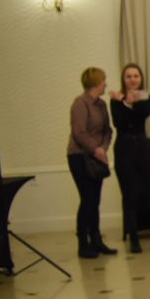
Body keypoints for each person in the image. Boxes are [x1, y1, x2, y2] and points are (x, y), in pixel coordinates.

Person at [109, 63, 150, 254]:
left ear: (141, 78)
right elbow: (119, 122)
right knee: (129, 196)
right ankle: (134, 240)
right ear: (124, 79)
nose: (132, 79)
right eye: (128, 76)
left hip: (142, 148)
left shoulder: (146, 97)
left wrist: (128, 103)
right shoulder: (115, 100)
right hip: (124, 149)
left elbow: (142, 114)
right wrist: (125, 102)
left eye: (135, 76)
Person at [65, 66, 116, 260]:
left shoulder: (101, 105)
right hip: (79, 156)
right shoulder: (80, 103)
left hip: (96, 156)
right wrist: (96, 149)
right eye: (103, 81)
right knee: (87, 198)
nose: (106, 84)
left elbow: (107, 131)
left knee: (95, 200)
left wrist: (103, 148)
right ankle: (83, 243)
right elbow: (79, 132)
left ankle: (96, 240)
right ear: (95, 83)